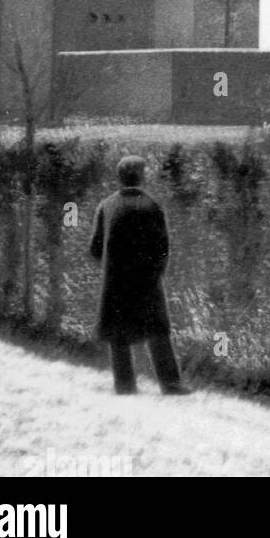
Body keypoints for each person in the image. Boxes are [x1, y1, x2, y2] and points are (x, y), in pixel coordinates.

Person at [89, 155, 189, 396]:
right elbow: (163, 246)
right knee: (157, 331)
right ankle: (171, 384)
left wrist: (110, 265)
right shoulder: (152, 205)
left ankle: (124, 385)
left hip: (116, 281)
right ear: (142, 177)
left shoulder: (106, 205)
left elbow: (95, 249)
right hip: (146, 280)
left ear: (120, 177)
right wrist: (157, 272)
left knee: (118, 332)